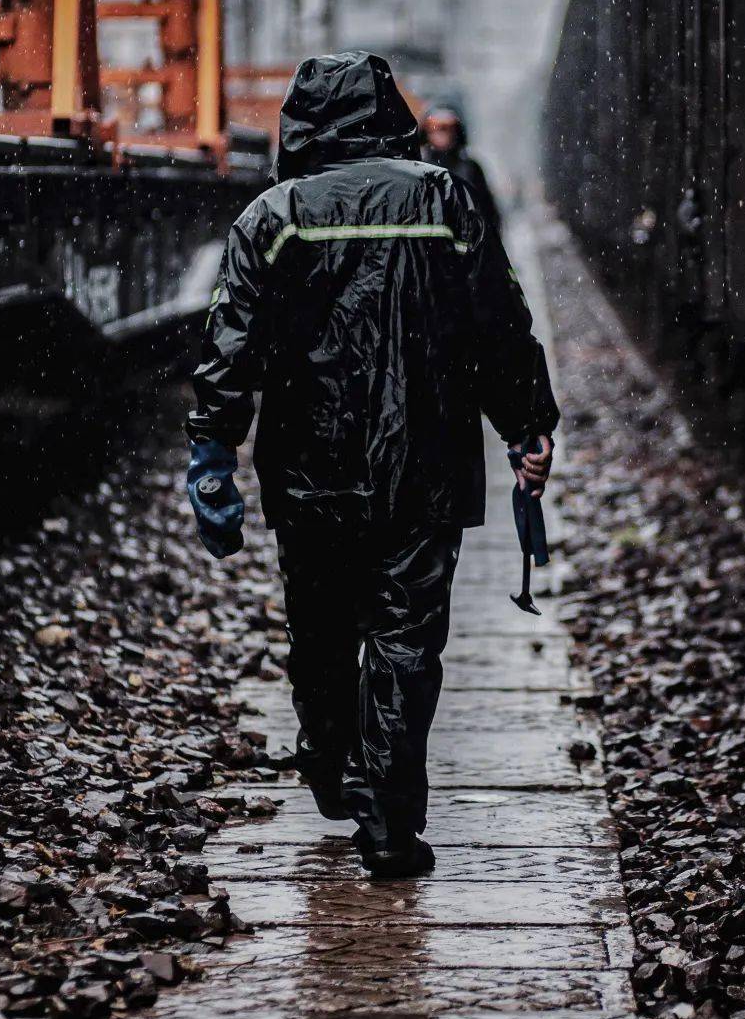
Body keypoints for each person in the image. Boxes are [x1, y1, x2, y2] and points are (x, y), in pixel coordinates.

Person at [186, 52, 559, 880]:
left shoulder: (272, 215)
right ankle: (389, 820)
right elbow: (498, 323)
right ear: (393, 114)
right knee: (405, 639)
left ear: (300, 126)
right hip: (424, 466)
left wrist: (213, 450)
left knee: (320, 628)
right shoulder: (444, 200)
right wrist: (529, 423)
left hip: (310, 472)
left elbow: (229, 348)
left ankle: (327, 755)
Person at [421, 104, 502, 229]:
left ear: (456, 130)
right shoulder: (418, 168)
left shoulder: (471, 168)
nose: (439, 133)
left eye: (445, 127)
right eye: (433, 127)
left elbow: (489, 214)